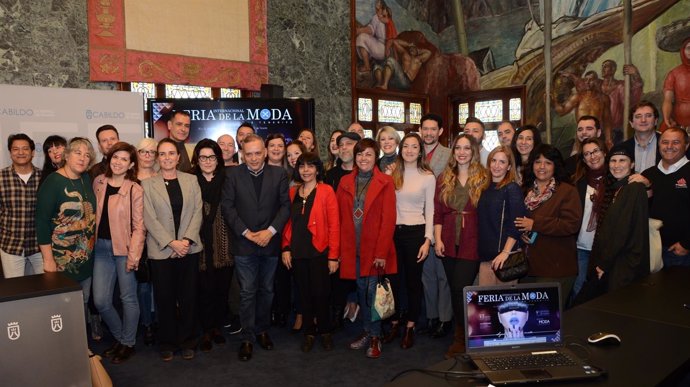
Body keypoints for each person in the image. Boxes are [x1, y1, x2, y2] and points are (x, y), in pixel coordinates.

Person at [221, 133, 290, 362]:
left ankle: (262, 330)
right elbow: (228, 208)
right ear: (242, 153)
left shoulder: (279, 174)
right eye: (248, 154)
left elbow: (285, 207)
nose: (253, 158)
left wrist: (270, 232)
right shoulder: (232, 175)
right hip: (244, 244)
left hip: (270, 243)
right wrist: (248, 233)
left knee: (267, 290)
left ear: (266, 152)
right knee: (248, 292)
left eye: (257, 153)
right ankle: (248, 338)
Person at [142, 138, 203, 361]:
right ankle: (167, 341)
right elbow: (149, 218)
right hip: (161, 251)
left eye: (171, 153)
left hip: (188, 249)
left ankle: (188, 341)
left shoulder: (191, 180)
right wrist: (171, 242)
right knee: (164, 298)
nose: (167, 158)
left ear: (178, 157)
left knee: (188, 297)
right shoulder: (148, 184)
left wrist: (185, 240)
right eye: (163, 154)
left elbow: (197, 211)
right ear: (158, 158)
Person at [337, 138, 396, 359]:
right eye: (360, 154)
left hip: (375, 250)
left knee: (372, 293)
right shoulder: (344, 181)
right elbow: (340, 218)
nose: (363, 158)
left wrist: (381, 253)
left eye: (369, 154)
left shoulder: (386, 182)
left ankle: (374, 336)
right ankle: (368, 331)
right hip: (354, 249)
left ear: (376, 157)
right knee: (362, 291)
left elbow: (389, 219)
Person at [434, 134, 488, 358]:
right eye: (458, 148)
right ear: (453, 151)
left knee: (460, 288)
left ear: (474, 151)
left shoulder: (484, 178)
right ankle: (461, 333)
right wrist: (437, 240)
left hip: (472, 241)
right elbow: (438, 213)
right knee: (455, 290)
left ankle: (464, 336)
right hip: (447, 239)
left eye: (467, 148)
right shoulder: (444, 177)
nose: (462, 152)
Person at [281, 152, 340, 352]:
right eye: (302, 166)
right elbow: (288, 224)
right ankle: (309, 331)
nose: (306, 170)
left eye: (310, 166)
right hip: (298, 252)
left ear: (317, 169)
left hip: (319, 251)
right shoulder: (293, 192)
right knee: (303, 294)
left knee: (321, 294)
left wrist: (333, 256)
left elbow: (334, 225)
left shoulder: (326, 191)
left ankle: (325, 331)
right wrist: (286, 248)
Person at [92, 142, 145, 364]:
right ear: (109, 158)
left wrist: (134, 255)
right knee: (101, 300)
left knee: (128, 298)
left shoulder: (134, 188)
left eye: (124, 159)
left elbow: (139, 227)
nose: (118, 162)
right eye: (115, 157)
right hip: (101, 249)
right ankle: (121, 337)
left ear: (131, 164)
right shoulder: (99, 182)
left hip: (124, 250)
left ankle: (128, 343)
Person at [577, 144, 649, 304]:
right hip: (615, 261)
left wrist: (604, 263)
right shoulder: (619, 188)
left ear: (632, 165)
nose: (617, 165)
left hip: (624, 264)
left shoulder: (634, 188)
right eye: (613, 161)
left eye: (622, 160)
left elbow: (622, 231)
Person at [383, 133, 434, 350]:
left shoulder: (427, 176)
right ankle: (395, 323)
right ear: (400, 149)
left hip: (416, 234)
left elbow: (430, 211)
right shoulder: (392, 173)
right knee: (393, 282)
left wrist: (427, 240)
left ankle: (410, 325)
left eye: (415, 147)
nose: (410, 150)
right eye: (406, 146)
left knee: (413, 283)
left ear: (420, 151)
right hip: (393, 233)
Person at [515, 145, 582, 305]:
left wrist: (535, 224)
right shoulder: (526, 191)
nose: (542, 167)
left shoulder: (567, 191)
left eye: (548, 162)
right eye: (538, 162)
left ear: (556, 166)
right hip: (527, 268)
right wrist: (522, 233)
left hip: (556, 268)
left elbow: (571, 224)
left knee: (550, 319)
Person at [36, 137, 97, 315]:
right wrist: (48, 260)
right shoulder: (52, 182)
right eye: (77, 153)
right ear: (67, 155)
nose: (82, 158)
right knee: (63, 308)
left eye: (87, 155)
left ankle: (78, 342)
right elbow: (41, 222)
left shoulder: (86, 178)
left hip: (85, 257)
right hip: (62, 260)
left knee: (82, 302)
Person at [191, 139, 233, 353]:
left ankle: (217, 327)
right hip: (198, 243)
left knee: (221, 289)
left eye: (212, 157)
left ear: (218, 159)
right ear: (197, 160)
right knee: (203, 289)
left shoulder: (228, 179)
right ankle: (206, 329)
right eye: (203, 157)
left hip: (225, 243)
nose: (207, 161)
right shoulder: (190, 181)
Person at [419, 113, 452, 338]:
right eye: (425, 129)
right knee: (426, 274)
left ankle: (444, 318)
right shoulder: (413, 153)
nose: (429, 133)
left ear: (440, 131)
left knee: (443, 275)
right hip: (419, 223)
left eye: (433, 129)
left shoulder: (450, 155)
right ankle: (430, 316)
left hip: (441, 222)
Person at [477, 145, 527, 286]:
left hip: (506, 258)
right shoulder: (484, 188)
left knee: (506, 305)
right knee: (486, 305)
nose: (497, 166)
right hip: (486, 256)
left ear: (509, 166)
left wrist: (505, 252)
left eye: (502, 162)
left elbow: (516, 224)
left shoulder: (512, 188)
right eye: (494, 161)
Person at [642, 127, 690, 267]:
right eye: (665, 142)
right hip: (650, 250)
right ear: (659, 145)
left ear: (686, 145)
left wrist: (686, 244)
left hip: (680, 253)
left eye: (676, 142)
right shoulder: (648, 175)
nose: (669, 146)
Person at [570, 137, 607, 302]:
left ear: (604, 152)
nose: (592, 157)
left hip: (605, 248)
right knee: (578, 288)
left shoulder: (615, 180)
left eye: (595, 151)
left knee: (603, 290)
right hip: (581, 246)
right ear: (583, 159)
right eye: (587, 154)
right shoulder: (578, 182)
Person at [0, 134, 43, 278]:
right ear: (10, 153)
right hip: (11, 246)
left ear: (32, 152)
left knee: (43, 290)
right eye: (16, 149)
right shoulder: (1, 177)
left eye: (25, 149)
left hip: (40, 246)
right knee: (16, 292)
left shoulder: (44, 177)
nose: (20, 152)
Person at [135, 138, 158, 346]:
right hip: (137, 239)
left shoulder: (161, 177)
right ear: (137, 153)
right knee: (143, 285)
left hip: (158, 238)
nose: (148, 156)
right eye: (144, 152)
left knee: (159, 283)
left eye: (152, 152)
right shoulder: (130, 178)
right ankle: (147, 324)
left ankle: (159, 321)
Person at [552, 70, 613, 146]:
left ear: (596, 81)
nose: (587, 82)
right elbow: (562, 111)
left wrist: (608, 139)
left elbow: (607, 121)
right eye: (586, 80)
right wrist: (553, 100)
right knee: (577, 154)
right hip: (580, 137)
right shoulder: (578, 97)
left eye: (591, 80)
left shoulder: (603, 98)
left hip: (596, 136)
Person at [600, 60, 643, 142]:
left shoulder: (620, 86)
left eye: (606, 66)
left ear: (613, 70)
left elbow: (632, 99)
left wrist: (635, 73)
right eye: (602, 66)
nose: (602, 69)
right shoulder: (598, 85)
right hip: (598, 130)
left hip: (615, 130)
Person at [621, 101, 661, 174]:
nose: (643, 120)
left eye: (648, 116)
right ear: (631, 123)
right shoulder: (621, 148)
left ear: (655, 121)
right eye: (638, 116)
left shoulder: (668, 146)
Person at [662, 38, 690, 129]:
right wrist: (666, 117)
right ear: (683, 50)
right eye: (689, 48)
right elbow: (668, 100)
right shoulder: (674, 74)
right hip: (678, 122)